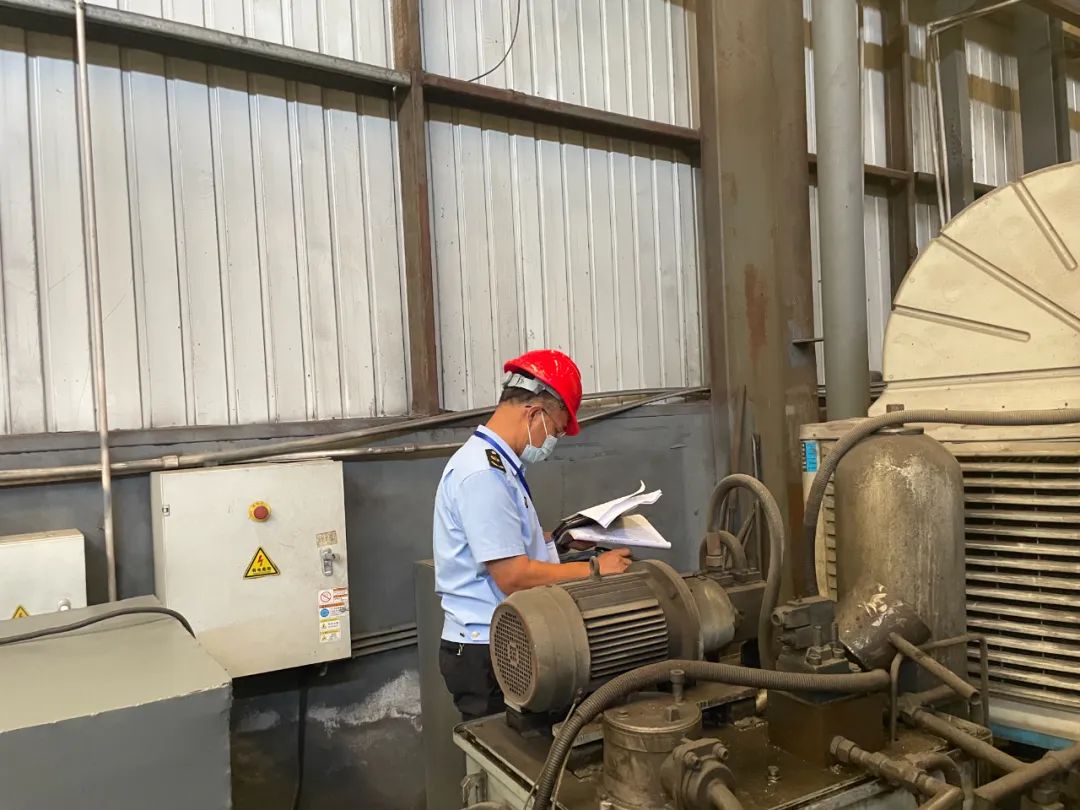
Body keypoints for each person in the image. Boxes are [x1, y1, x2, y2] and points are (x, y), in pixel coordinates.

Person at [432, 349, 632, 719]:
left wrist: (563, 542)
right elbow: (513, 576)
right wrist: (594, 569)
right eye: (556, 430)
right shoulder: (484, 475)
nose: (553, 441)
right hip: (486, 649)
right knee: (504, 751)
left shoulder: (498, 466)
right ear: (534, 412)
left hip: (499, 638)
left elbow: (511, 546)